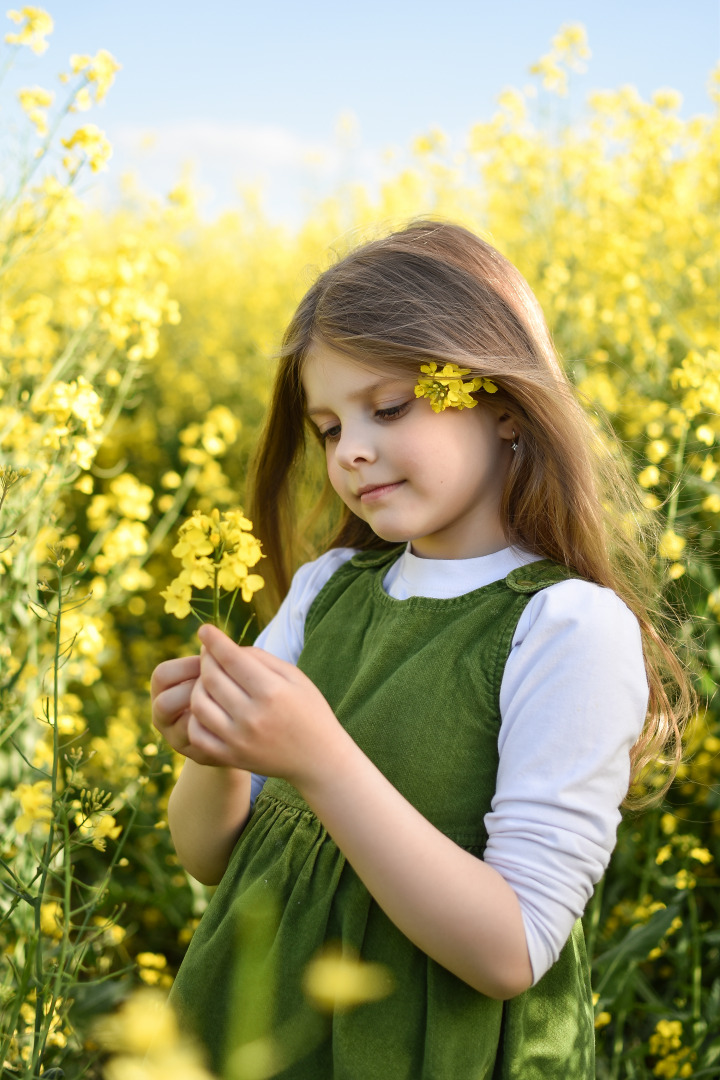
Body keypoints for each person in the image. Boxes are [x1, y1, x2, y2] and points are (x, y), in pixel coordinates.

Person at [151, 221, 689, 1079]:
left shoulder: (568, 629)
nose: (352, 450)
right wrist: (208, 753)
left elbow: (512, 950)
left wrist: (321, 758)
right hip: (254, 1033)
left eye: (389, 408)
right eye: (328, 429)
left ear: (505, 404)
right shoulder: (327, 590)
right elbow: (211, 859)